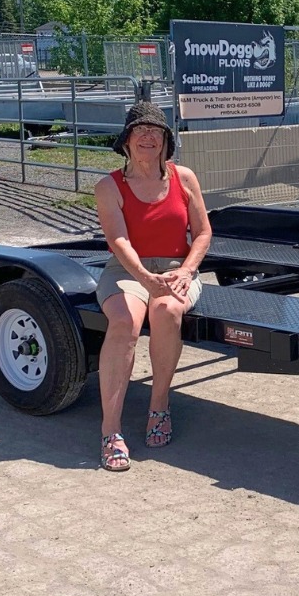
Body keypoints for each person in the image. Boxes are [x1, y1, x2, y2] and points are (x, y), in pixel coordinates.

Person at [93, 100, 212, 472]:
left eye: (156, 131)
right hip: (127, 269)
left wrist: (187, 271)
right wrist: (145, 278)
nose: (148, 137)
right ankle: (110, 430)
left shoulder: (184, 178)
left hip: (177, 268)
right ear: (126, 141)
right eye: (140, 131)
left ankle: (158, 406)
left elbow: (204, 232)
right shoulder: (109, 186)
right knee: (126, 320)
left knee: (166, 309)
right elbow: (119, 241)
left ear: (166, 141)